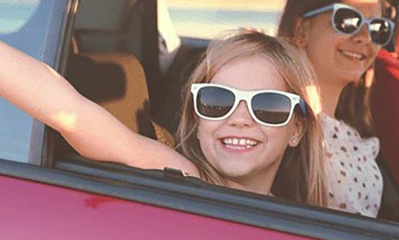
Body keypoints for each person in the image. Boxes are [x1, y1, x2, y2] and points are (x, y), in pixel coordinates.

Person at [0, 30, 329, 206]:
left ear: (297, 128)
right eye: (217, 102)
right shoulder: (186, 178)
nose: (240, 118)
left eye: (268, 106)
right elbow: (71, 112)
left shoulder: (303, 212)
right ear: (197, 119)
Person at [278, 0, 391, 217]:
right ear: (301, 30)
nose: (364, 38)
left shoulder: (351, 132)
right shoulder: (277, 124)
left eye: (377, 28)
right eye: (348, 20)